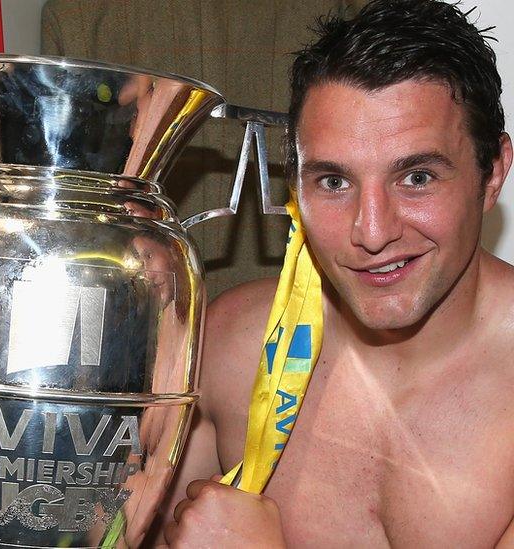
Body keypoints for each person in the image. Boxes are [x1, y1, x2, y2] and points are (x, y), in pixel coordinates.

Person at [162, 0, 514, 546]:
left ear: (492, 174)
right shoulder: (227, 348)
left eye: (417, 177)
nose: (372, 232)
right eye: (333, 182)